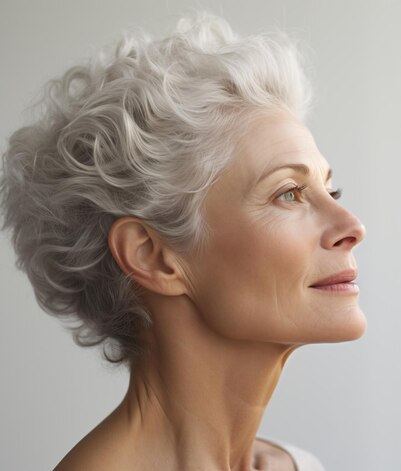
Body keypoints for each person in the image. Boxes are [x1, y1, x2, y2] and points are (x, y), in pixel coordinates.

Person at [0, 12, 366, 471]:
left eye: (330, 190)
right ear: (153, 256)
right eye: (289, 193)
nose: (352, 225)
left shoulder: (300, 465)